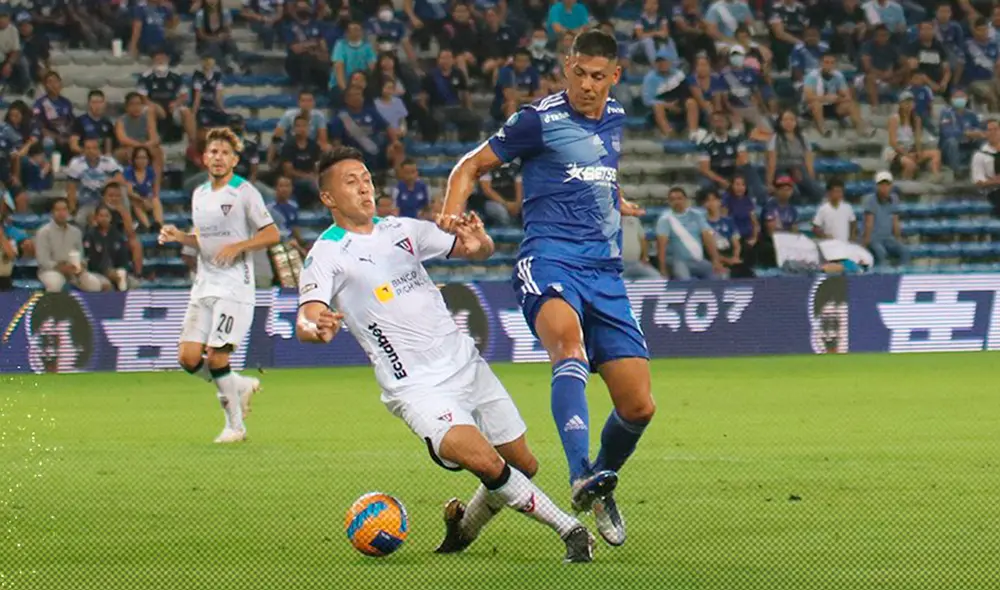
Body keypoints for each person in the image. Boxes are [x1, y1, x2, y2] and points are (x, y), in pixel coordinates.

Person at [295, 146, 595, 563]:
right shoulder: (326, 254)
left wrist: (480, 240)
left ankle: (462, 529)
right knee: (489, 464)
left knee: (522, 465)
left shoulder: (401, 229)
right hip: (417, 388)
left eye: (366, 178)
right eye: (351, 181)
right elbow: (307, 317)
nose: (364, 187)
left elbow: (476, 248)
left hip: (466, 365)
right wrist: (317, 326)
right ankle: (570, 529)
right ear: (328, 198)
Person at [438, 30, 655, 548]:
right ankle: (581, 472)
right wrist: (450, 208)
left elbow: (597, 170)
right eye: (578, 73)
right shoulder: (538, 119)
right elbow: (470, 165)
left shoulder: (617, 119)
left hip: (604, 272)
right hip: (549, 258)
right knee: (569, 347)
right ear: (567, 67)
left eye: (598, 76)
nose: (586, 84)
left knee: (638, 406)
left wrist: (613, 199)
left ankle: (600, 483)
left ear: (615, 76)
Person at [157, 127, 279, 443]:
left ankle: (235, 426)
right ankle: (237, 384)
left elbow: (271, 234)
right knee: (187, 358)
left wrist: (239, 247)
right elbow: (203, 238)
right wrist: (179, 237)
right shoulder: (199, 193)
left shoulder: (244, 191)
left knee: (217, 357)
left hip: (234, 287)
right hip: (204, 285)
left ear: (235, 159)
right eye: (213, 151)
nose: (218, 157)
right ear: (204, 157)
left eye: (225, 152)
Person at [34, 198, 104, 293]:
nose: (61, 213)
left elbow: (81, 256)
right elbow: (43, 261)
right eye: (58, 210)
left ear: (68, 211)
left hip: (73, 271)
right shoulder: (43, 232)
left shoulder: (76, 232)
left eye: (64, 209)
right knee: (55, 284)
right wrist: (61, 267)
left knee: (94, 284)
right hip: (51, 271)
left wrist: (81, 266)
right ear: (52, 212)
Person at [655, 186, 724, 279]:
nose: (677, 202)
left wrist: (716, 260)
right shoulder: (665, 219)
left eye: (679, 198)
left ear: (686, 200)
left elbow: (708, 237)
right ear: (669, 202)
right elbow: (661, 246)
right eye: (673, 199)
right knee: (685, 280)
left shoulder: (696, 215)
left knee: (717, 276)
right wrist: (662, 270)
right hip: (677, 262)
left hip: (698, 261)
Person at [862, 171, 910, 267]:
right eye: (881, 185)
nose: (884, 188)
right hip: (874, 239)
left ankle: (900, 273)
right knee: (881, 252)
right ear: (876, 186)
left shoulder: (894, 199)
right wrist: (865, 243)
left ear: (891, 186)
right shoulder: (870, 200)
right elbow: (869, 223)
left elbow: (895, 221)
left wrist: (898, 239)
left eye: (887, 185)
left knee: (904, 251)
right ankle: (883, 276)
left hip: (888, 238)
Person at [83, 204, 135, 291]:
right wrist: (106, 272)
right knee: (107, 286)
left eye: (106, 216)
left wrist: (121, 270)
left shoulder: (117, 235)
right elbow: (89, 259)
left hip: (117, 270)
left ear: (110, 218)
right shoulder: (90, 236)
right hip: (96, 272)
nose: (104, 218)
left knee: (134, 284)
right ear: (96, 217)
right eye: (101, 216)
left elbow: (124, 257)